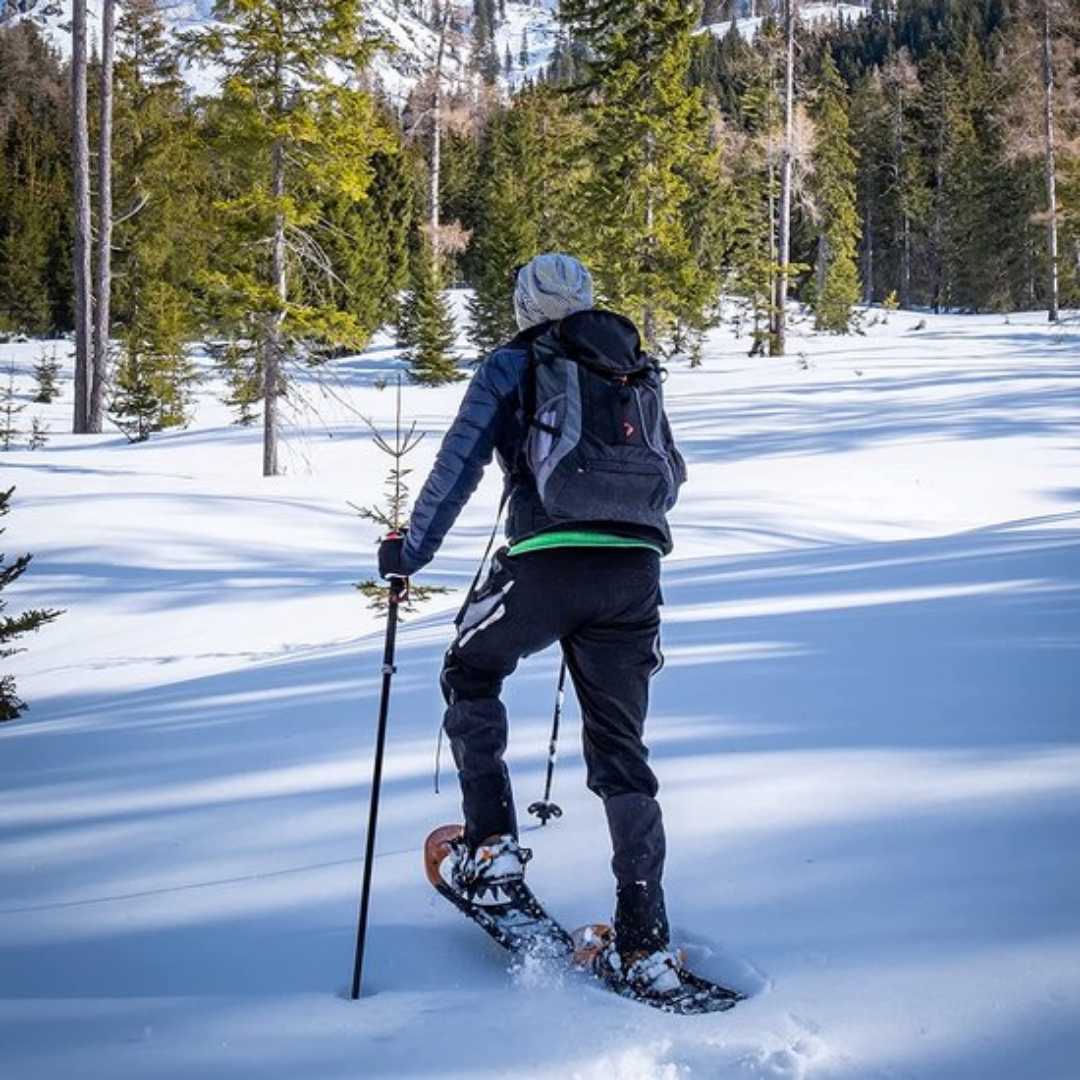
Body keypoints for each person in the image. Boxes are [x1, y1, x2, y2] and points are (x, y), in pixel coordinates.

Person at [378, 253, 687, 996]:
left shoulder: (511, 364)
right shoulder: (633, 367)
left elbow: (457, 468)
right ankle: (644, 940)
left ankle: (491, 850)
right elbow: (671, 472)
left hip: (545, 563)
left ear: (525, 306)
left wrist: (408, 554)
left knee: (471, 669)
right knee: (622, 750)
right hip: (635, 572)